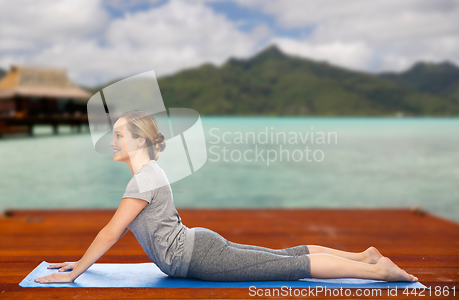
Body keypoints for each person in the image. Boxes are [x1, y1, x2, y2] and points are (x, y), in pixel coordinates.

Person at [35, 110, 418, 284]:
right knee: (282, 257)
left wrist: (76, 272)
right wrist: (81, 263)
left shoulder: (142, 181)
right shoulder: (150, 173)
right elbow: (113, 233)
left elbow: (110, 232)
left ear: (138, 141)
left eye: (119, 134)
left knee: (288, 267)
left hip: (198, 254)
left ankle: (375, 270)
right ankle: (362, 255)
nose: (113, 140)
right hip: (199, 246)